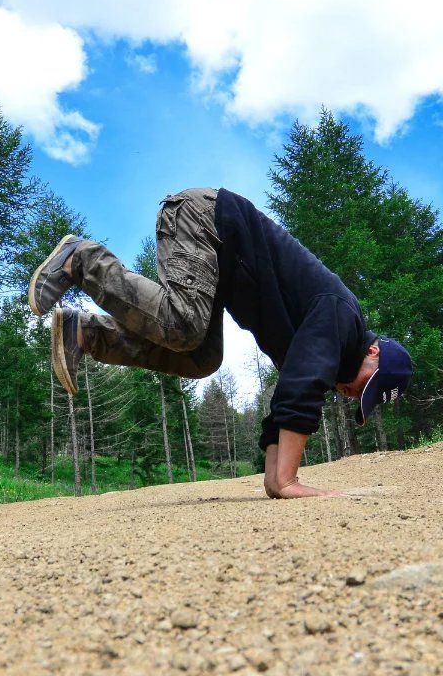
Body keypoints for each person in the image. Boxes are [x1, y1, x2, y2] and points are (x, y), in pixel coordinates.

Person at [28, 187, 412, 499]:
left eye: (361, 398)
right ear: (373, 351)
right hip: (205, 221)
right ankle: (81, 259)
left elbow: (289, 396)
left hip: (218, 256)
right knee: (184, 325)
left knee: (201, 358)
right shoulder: (342, 316)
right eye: (365, 384)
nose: (351, 393)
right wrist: (290, 480)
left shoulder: (324, 339)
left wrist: (277, 481)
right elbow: (302, 390)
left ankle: (85, 332)